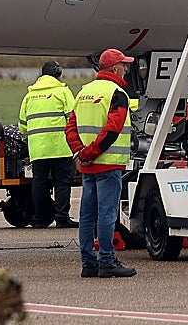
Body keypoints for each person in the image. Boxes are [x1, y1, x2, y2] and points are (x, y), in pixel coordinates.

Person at [65, 49, 138, 278]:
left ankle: (88, 264)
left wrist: (80, 153)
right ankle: (106, 261)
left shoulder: (84, 92)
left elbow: (70, 128)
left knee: (87, 216)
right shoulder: (117, 94)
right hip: (107, 164)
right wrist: (91, 152)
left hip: (88, 166)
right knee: (107, 215)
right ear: (114, 68)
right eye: (124, 65)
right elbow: (112, 130)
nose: (126, 69)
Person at [19, 60, 77, 228]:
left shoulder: (29, 96)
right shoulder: (63, 92)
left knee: (39, 182)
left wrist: (29, 140)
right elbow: (72, 118)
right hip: (60, 147)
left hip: (38, 148)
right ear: (58, 73)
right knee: (62, 182)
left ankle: (39, 219)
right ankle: (61, 218)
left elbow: (23, 124)